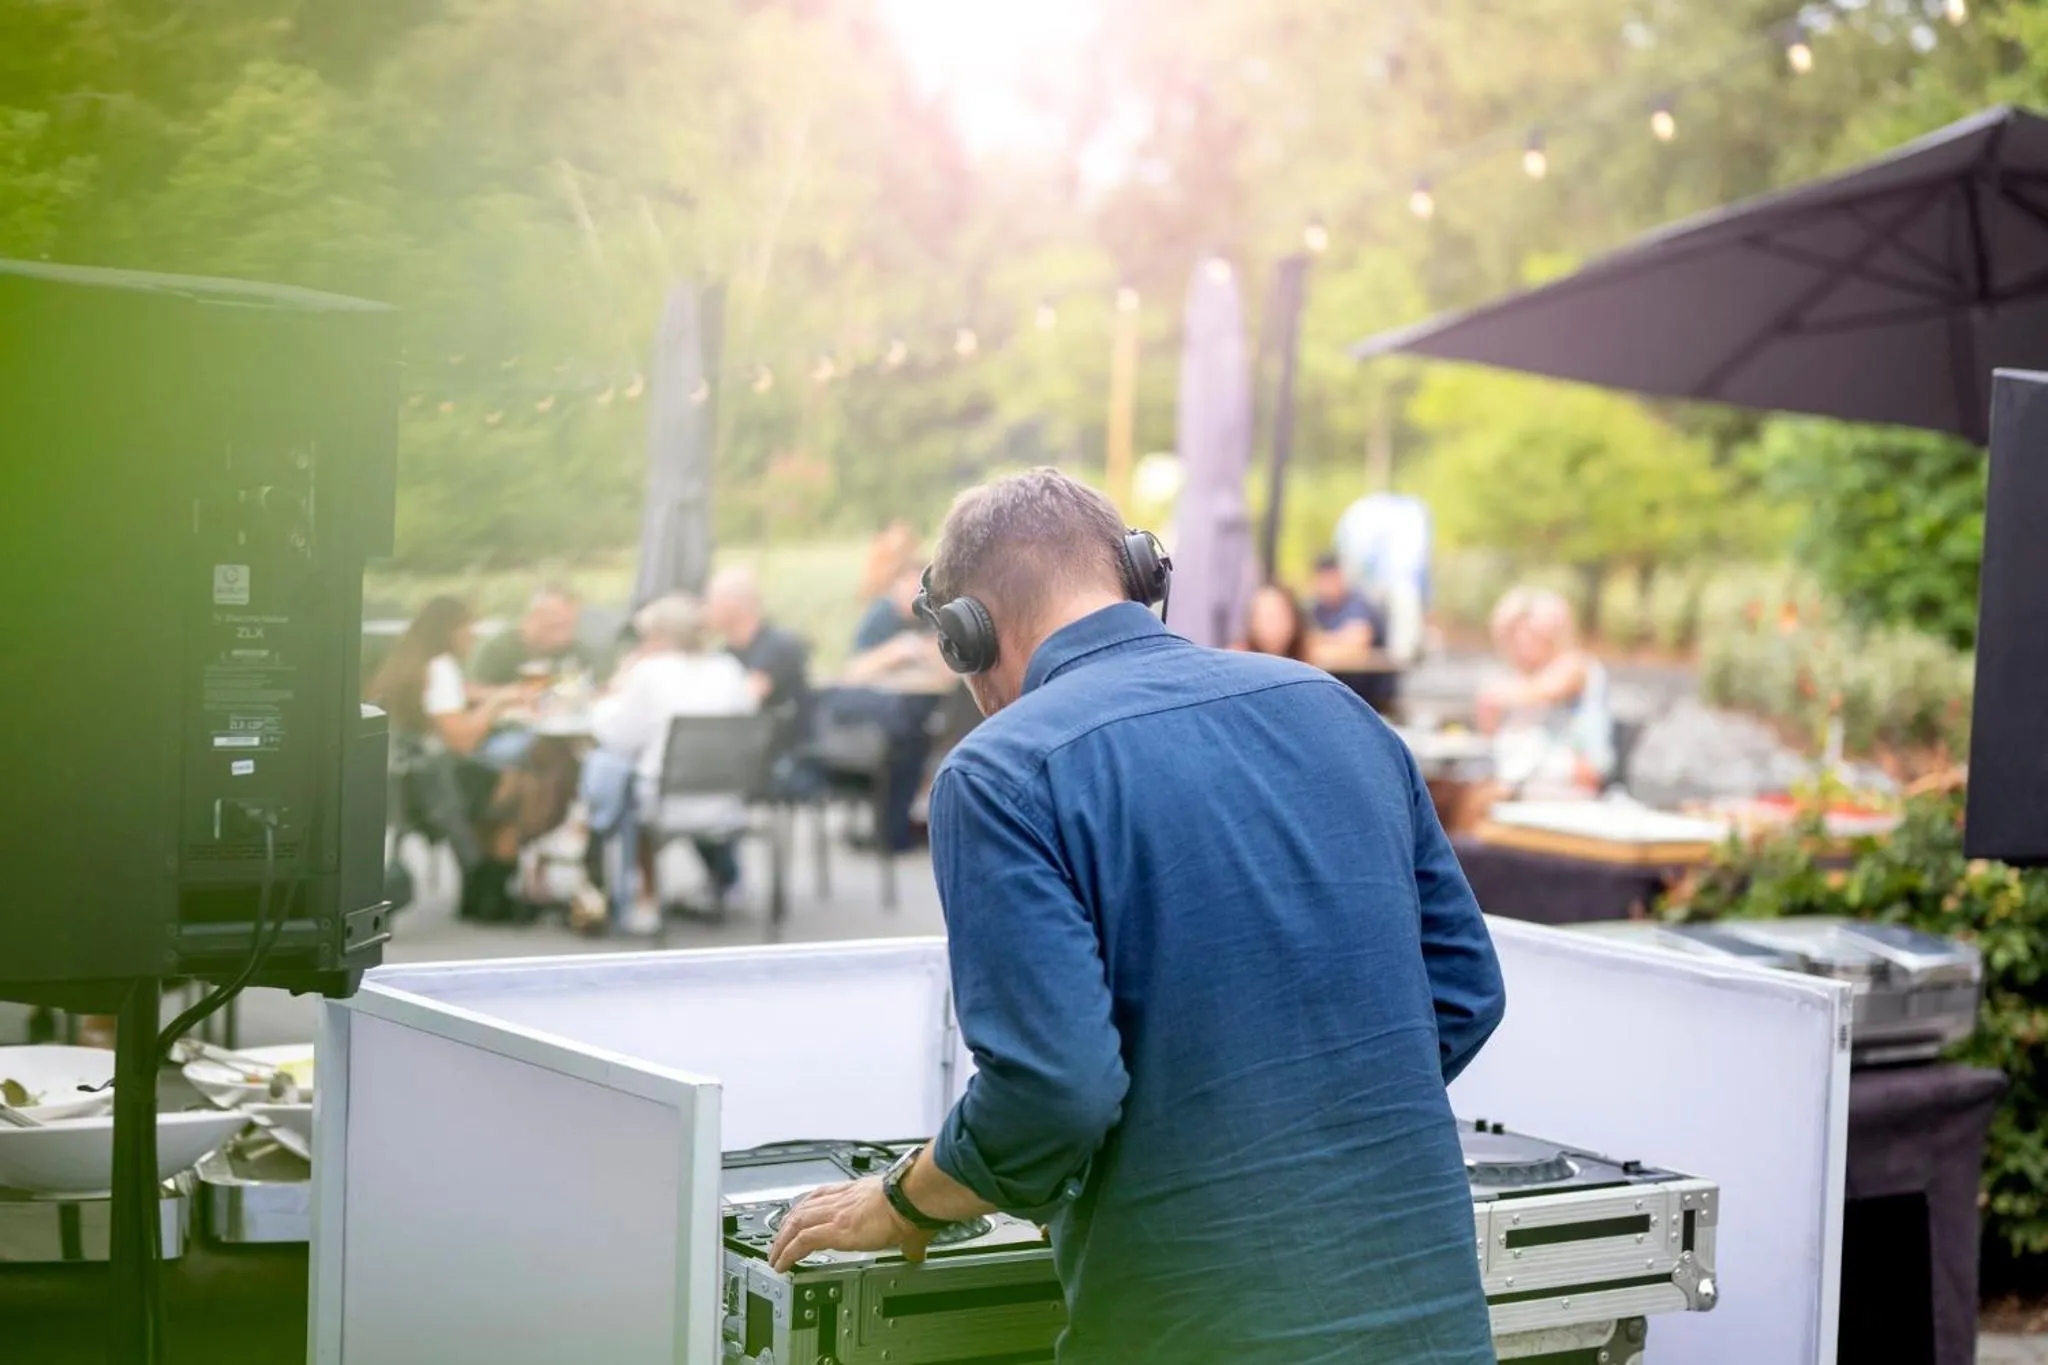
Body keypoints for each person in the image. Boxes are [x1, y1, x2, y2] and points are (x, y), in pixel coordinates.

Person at [767, 468, 1505, 1365]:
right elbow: (1465, 991)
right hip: (1431, 1321)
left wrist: (908, 1197)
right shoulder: (1336, 708)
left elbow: (1054, 1092)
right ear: (1138, 574)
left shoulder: (998, 774)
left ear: (966, 634)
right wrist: (1289, 1122)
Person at [585, 593, 758, 933]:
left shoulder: (650, 673)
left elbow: (619, 737)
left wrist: (609, 697)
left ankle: (640, 899)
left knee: (618, 779)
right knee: (637, 778)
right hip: (730, 801)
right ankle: (720, 883)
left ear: (660, 637)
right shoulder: (730, 669)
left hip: (665, 801)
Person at [365, 595, 537, 922]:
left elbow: (456, 692)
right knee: (517, 786)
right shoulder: (440, 667)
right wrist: (497, 702)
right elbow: (462, 739)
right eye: (467, 627)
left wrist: (490, 694)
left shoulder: (408, 663)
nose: (472, 635)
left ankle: (478, 888)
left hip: (403, 780)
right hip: (433, 789)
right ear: (449, 631)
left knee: (493, 781)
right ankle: (491, 893)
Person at [1476, 585, 1615, 798]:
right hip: (1532, 777)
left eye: (1531, 634)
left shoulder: (1576, 666)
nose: (1523, 643)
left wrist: (1498, 695)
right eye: (1514, 635)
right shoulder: (1518, 678)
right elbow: (1491, 734)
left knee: (1480, 795)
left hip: (1577, 780)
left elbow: (1540, 692)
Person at [705, 566, 816, 785]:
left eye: (711, 602)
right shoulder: (722, 655)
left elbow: (748, 697)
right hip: (741, 755)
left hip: (783, 759)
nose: (705, 610)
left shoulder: (778, 646)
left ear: (733, 605)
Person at [470, 583, 586, 687]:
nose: (566, 636)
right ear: (533, 618)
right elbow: (468, 690)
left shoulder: (571, 648)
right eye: (557, 625)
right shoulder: (497, 648)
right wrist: (506, 695)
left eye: (570, 625)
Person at [1306, 550, 1386, 660]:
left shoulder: (1357, 602)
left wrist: (1323, 640)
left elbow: (1357, 643)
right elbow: (1306, 642)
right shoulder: (1317, 608)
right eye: (1323, 578)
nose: (1327, 584)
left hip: (1367, 674)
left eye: (1332, 577)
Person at [1234, 581, 1312, 661]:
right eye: (1265, 618)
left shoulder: (1310, 656)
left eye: (1279, 617)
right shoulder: (1239, 659)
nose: (1273, 626)